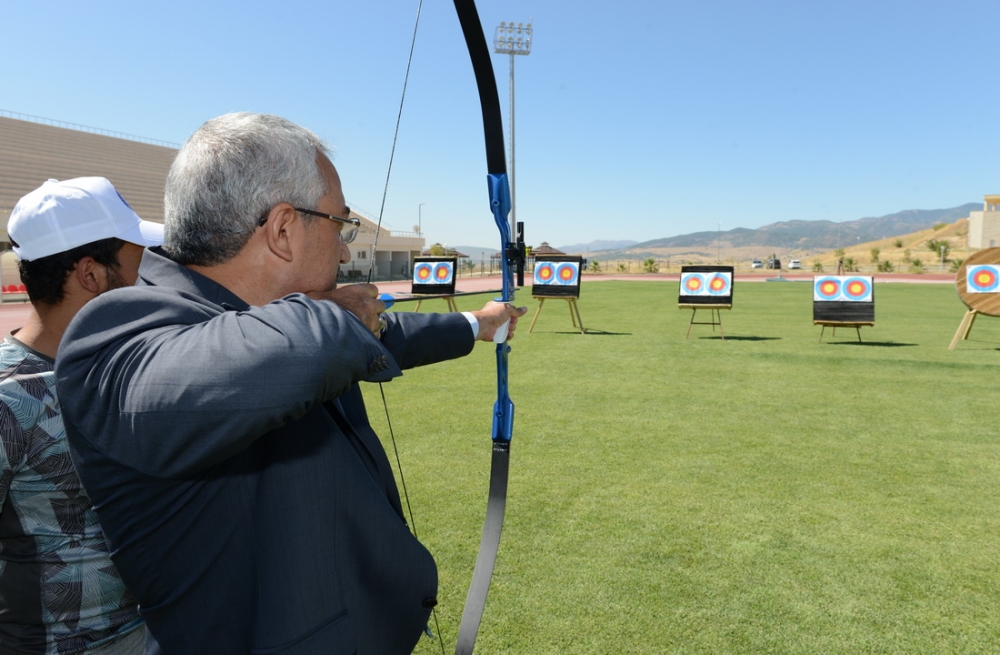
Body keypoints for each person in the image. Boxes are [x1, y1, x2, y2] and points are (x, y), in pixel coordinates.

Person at [55, 113, 526, 655]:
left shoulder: (296, 322)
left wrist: (476, 324)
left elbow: (380, 335)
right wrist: (333, 314)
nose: (347, 251)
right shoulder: (114, 335)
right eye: (339, 225)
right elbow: (269, 357)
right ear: (282, 230)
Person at [0, 177, 164, 653]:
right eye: (138, 262)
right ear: (91, 275)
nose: (148, 278)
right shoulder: (10, 399)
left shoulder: (129, 367)